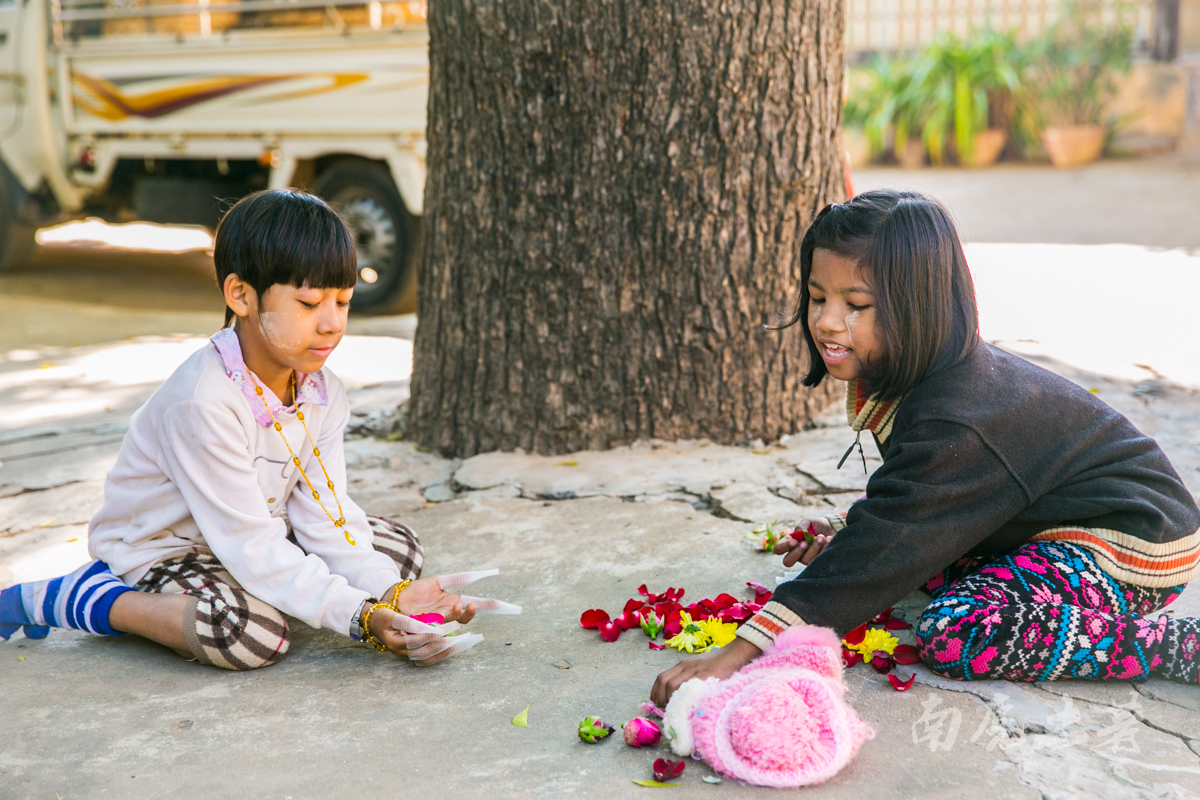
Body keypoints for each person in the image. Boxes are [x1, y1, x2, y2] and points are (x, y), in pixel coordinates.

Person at [652, 189, 1200, 705]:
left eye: (856, 304)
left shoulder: (958, 419)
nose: (825, 321)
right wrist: (857, 537)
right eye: (817, 297)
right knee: (889, 558)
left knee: (954, 630)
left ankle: (1177, 644)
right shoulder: (924, 376)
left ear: (919, 306)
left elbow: (910, 519)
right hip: (1050, 519)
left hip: (1128, 542)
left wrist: (743, 650)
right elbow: (919, 508)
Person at [0, 189, 477, 670]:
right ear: (241, 296)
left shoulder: (321, 391)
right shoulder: (204, 402)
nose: (332, 324)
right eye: (310, 303)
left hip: (247, 536)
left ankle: (292, 591)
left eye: (344, 302)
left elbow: (324, 517)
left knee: (398, 551)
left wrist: (390, 593)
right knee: (253, 635)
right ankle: (93, 597)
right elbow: (250, 546)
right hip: (166, 549)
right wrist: (363, 617)